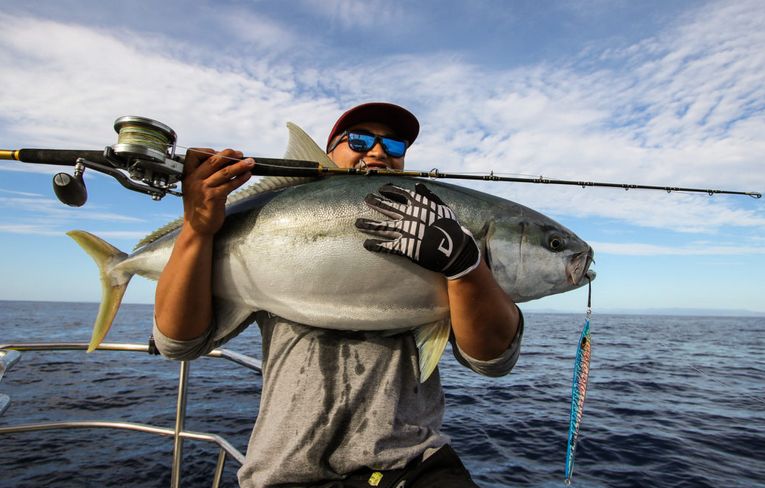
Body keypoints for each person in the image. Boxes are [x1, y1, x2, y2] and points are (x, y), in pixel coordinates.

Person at [153, 102, 524, 488]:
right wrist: (196, 230)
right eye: (360, 140)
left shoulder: (442, 230)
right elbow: (178, 342)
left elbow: (493, 361)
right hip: (285, 471)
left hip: (412, 466)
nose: (378, 153)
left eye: (395, 147)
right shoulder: (266, 219)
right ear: (328, 155)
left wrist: (464, 266)